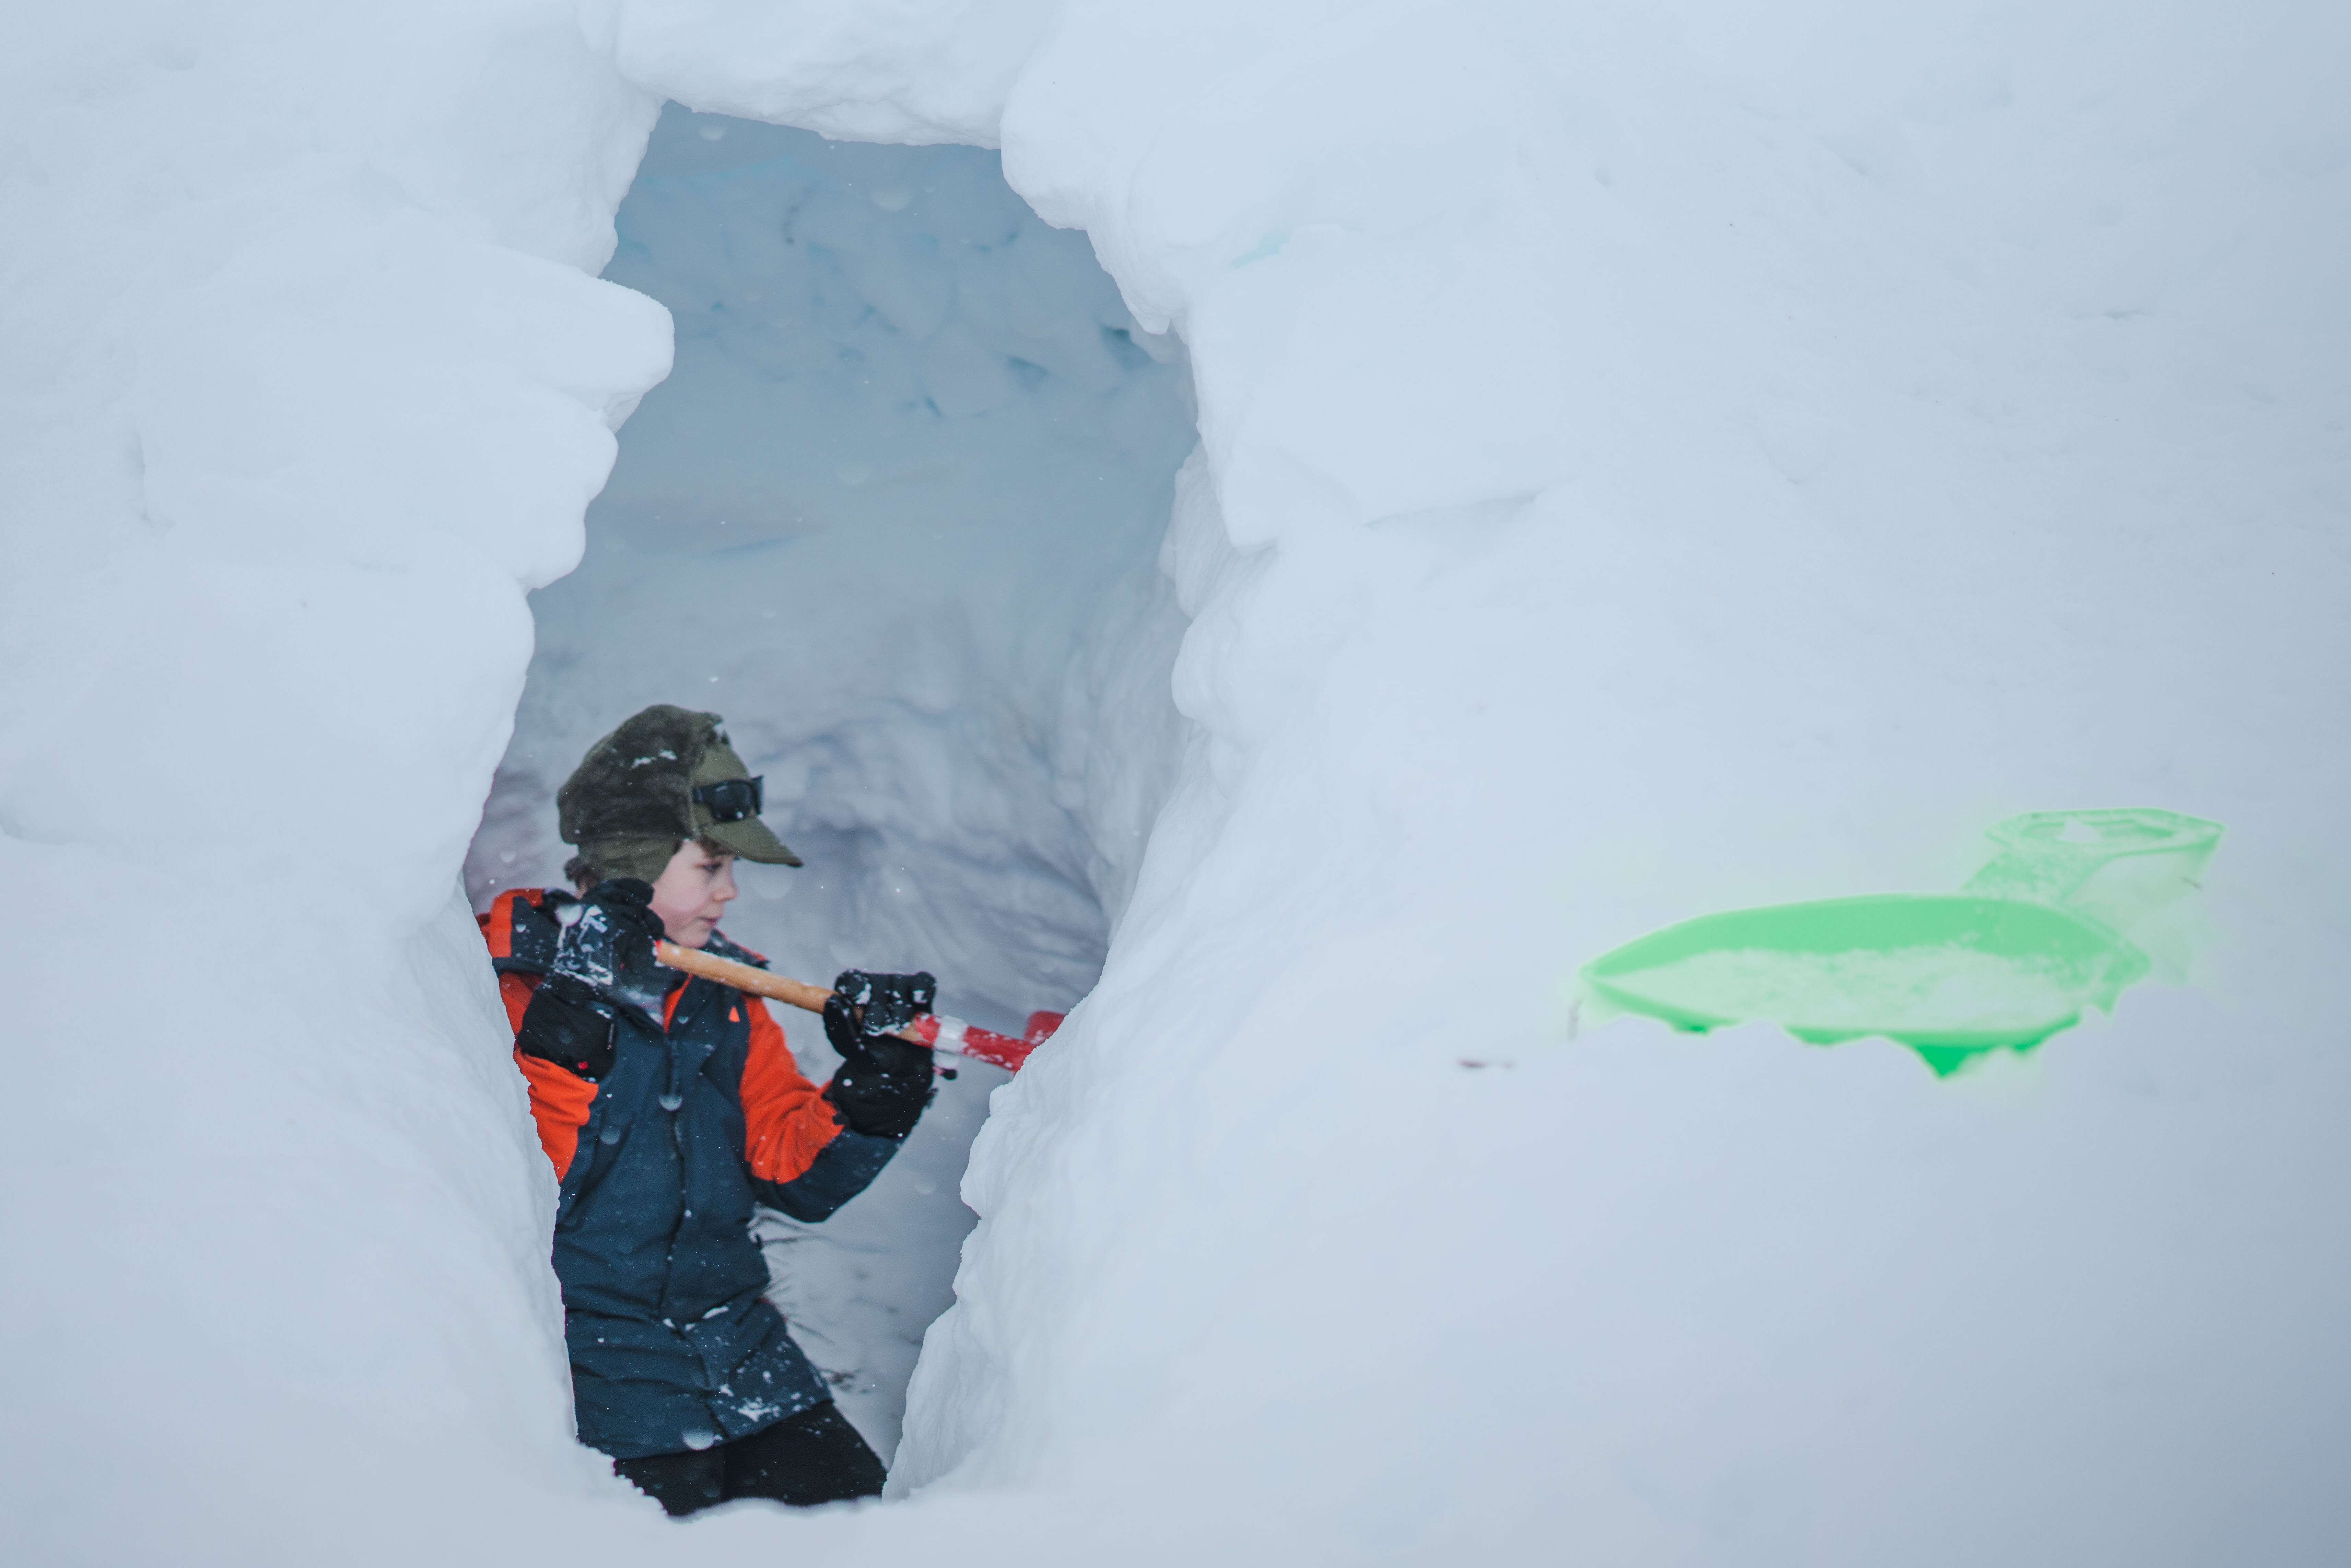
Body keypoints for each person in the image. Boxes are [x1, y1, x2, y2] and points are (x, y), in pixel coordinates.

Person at [477, 704, 939, 1516]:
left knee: (875, 1538)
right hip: (600, 1381)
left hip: (748, 1361)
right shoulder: (502, 987)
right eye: (710, 864)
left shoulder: (722, 994)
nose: (730, 892)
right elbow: (523, 1189)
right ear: (636, 856)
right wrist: (566, 1048)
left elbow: (788, 1166)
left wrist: (876, 1093)